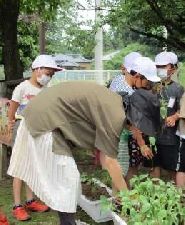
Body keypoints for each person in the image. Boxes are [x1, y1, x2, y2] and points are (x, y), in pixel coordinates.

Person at [7, 81, 128, 224]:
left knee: (67, 181)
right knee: (68, 178)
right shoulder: (116, 115)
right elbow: (109, 162)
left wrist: (118, 194)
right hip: (44, 122)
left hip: (44, 117)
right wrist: (128, 197)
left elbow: (105, 159)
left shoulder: (111, 101)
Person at [7, 54, 62, 221]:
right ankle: (17, 205)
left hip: (38, 131)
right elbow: (13, 108)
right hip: (21, 130)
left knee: (32, 165)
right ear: (37, 69)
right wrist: (9, 126)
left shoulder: (44, 90)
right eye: (48, 72)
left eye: (51, 75)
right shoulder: (22, 88)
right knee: (19, 166)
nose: (49, 77)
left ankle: (30, 201)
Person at [125, 56, 162, 183]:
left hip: (143, 136)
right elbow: (134, 122)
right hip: (136, 138)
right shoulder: (131, 93)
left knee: (149, 165)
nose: (148, 83)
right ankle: (125, 197)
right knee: (132, 168)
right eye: (147, 80)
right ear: (138, 76)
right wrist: (142, 144)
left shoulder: (137, 91)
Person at [109, 52, 142, 179]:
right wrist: (141, 142)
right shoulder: (127, 91)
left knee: (123, 165)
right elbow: (130, 121)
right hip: (121, 134)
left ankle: (123, 193)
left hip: (118, 132)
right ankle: (121, 195)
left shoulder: (118, 80)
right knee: (122, 167)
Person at [154, 51, 184, 181]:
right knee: (155, 165)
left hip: (170, 136)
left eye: (164, 66)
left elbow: (183, 109)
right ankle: (154, 192)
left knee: (172, 166)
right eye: (158, 66)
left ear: (173, 69)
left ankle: (174, 192)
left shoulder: (178, 89)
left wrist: (174, 117)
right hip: (153, 134)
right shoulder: (150, 86)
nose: (160, 69)